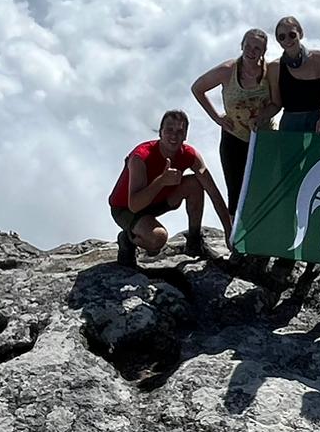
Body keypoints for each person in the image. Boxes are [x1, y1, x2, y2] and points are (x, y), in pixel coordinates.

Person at [108, 110, 232, 266]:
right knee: (157, 239)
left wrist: (229, 230)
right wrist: (161, 181)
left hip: (156, 201)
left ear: (186, 135)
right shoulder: (141, 157)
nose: (174, 136)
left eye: (180, 131)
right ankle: (127, 239)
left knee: (194, 183)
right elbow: (134, 205)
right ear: (160, 132)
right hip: (125, 208)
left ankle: (194, 241)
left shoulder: (189, 155)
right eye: (169, 130)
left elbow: (213, 193)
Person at [190, 28, 278, 213]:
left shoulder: (270, 72)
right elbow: (198, 88)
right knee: (236, 189)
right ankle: (236, 236)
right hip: (234, 137)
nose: (251, 51)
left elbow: (278, 103)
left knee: (264, 187)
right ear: (241, 46)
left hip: (264, 139)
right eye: (248, 46)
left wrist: (261, 117)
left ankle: (261, 233)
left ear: (264, 51)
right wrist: (216, 118)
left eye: (257, 48)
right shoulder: (227, 71)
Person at [267, 16, 320, 134]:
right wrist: (260, 118)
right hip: (291, 125)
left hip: (318, 123)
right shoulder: (274, 67)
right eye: (282, 37)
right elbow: (276, 104)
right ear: (278, 41)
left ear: (300, 34)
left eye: (292, 35)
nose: (287, 40)